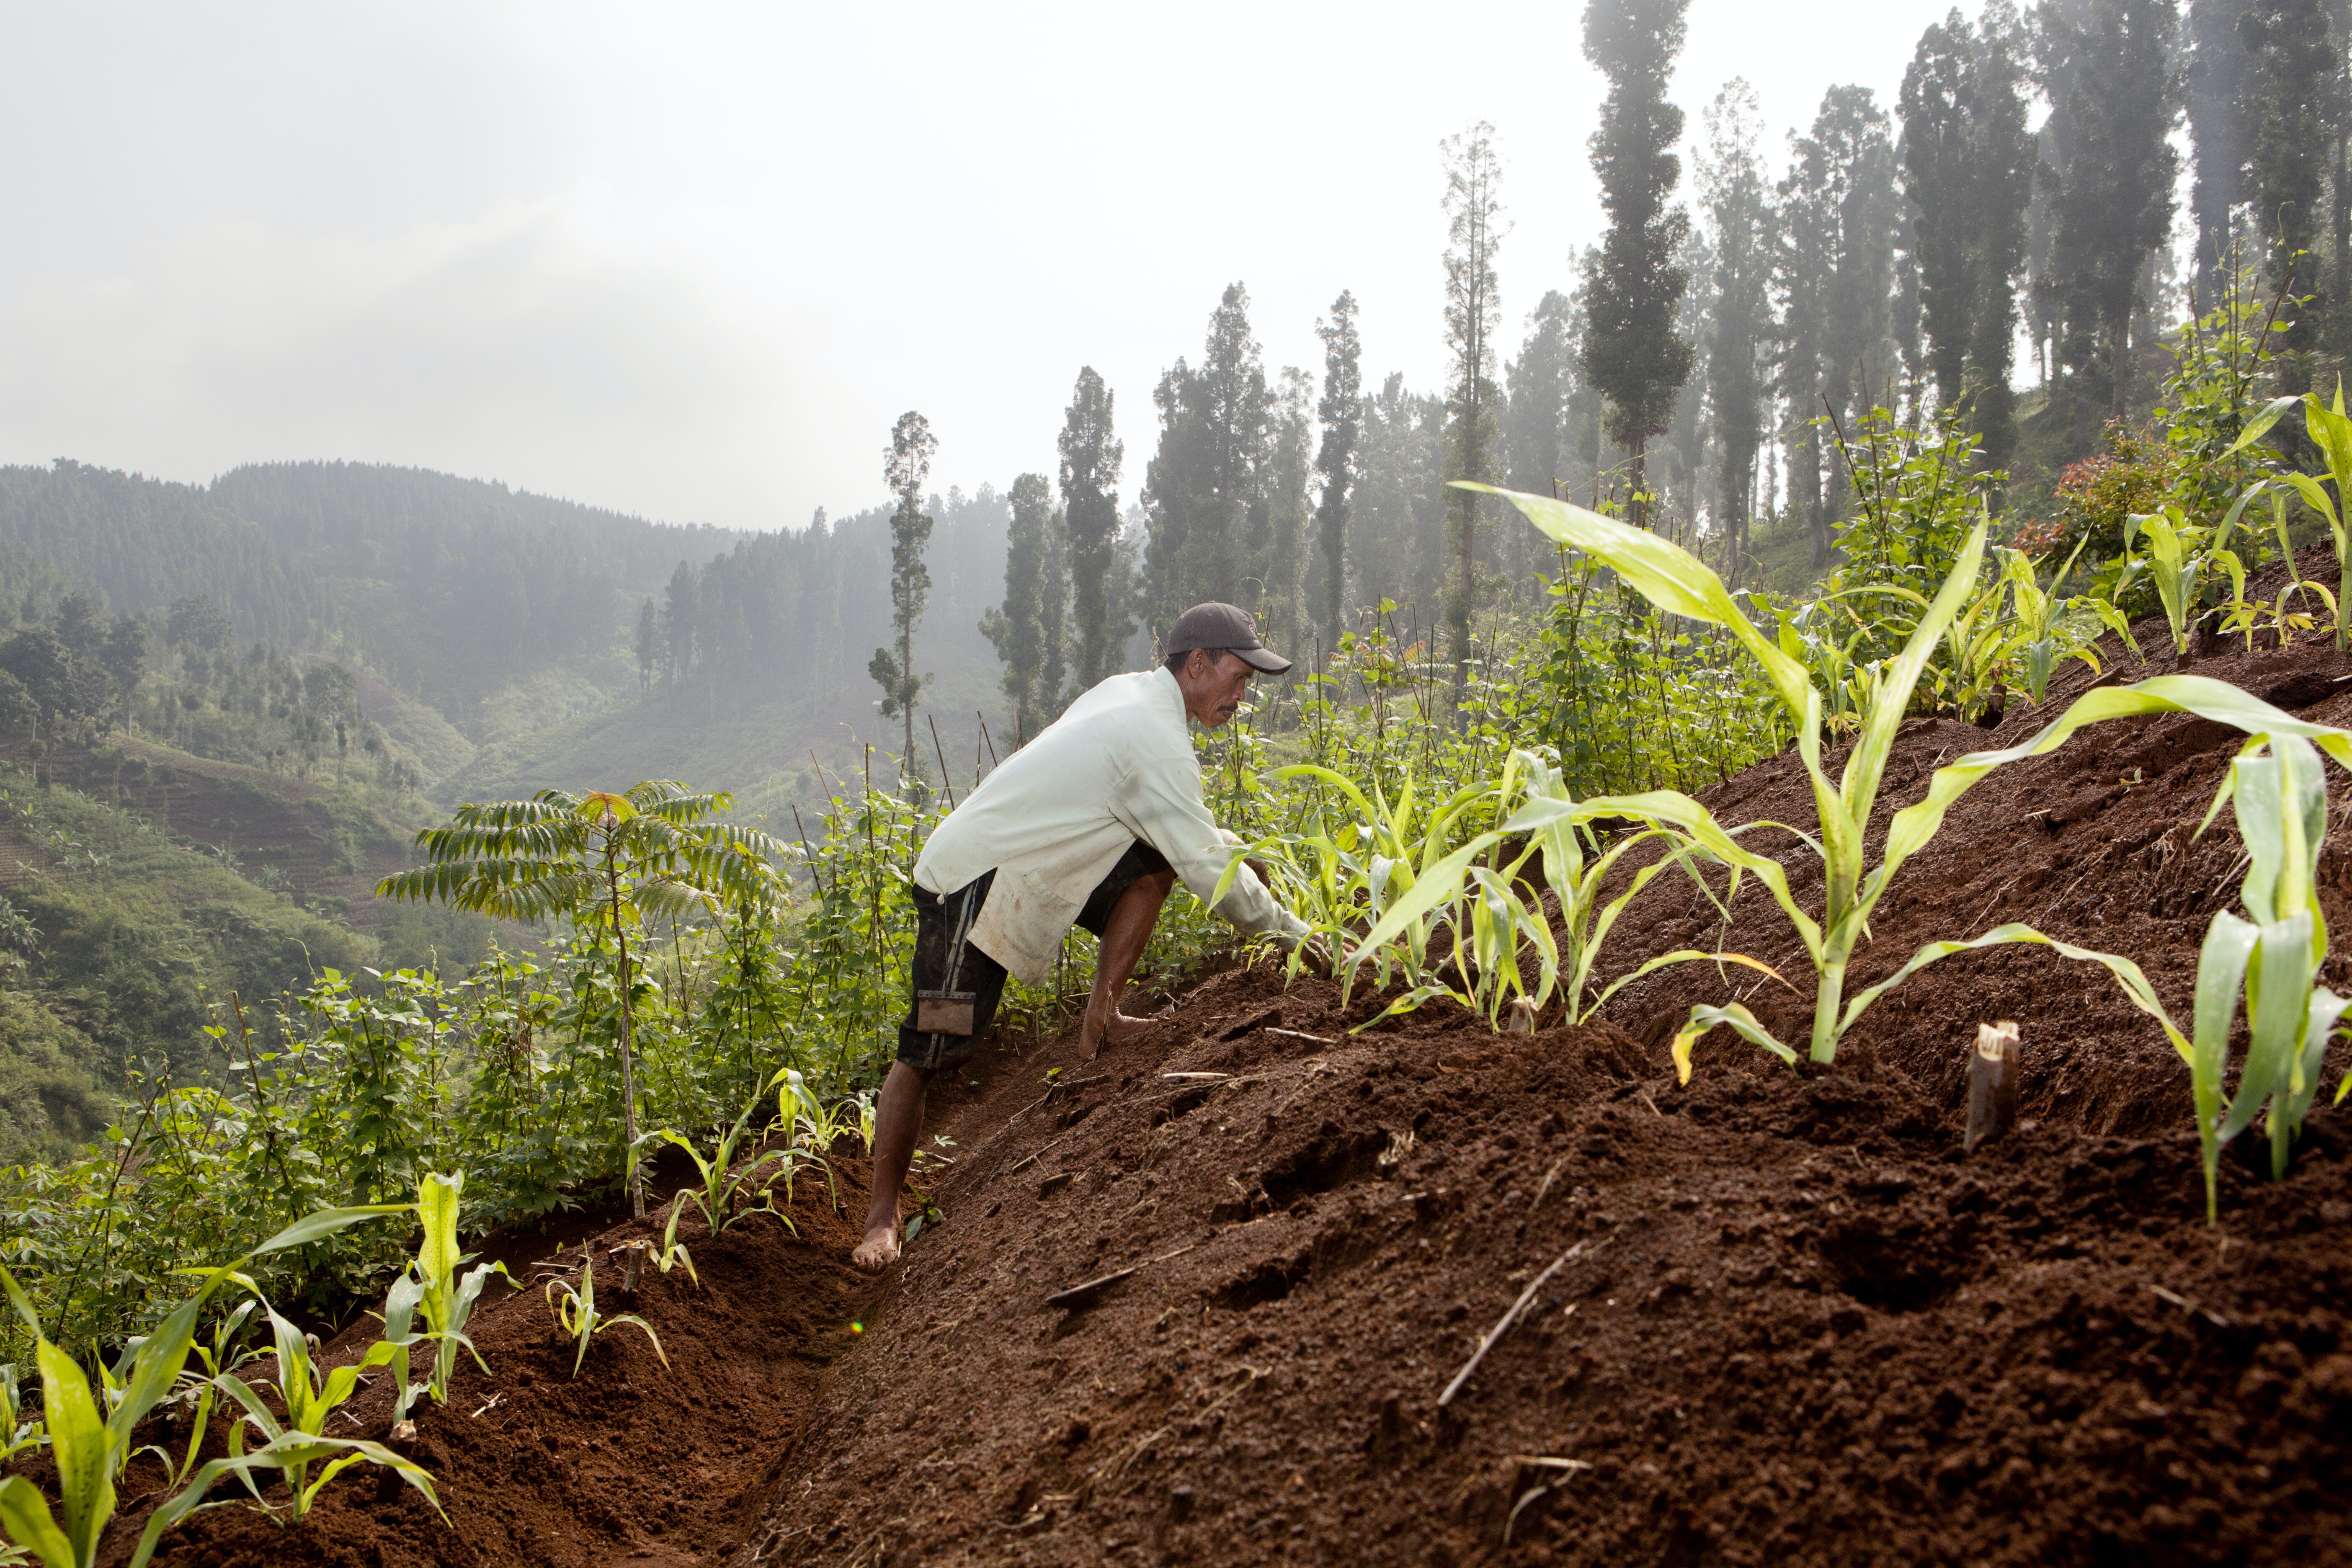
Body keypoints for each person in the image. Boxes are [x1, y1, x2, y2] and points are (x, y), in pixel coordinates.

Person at [850, 602, 1314, 1272]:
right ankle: (881, 1215)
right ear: (1197, 665)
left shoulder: (1136, 694)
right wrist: (1299, 936)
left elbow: (1193, 842)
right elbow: (1210, 868)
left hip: (1033, 865)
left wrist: (1251, 865)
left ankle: (1102, 1016)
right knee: (933, 1045)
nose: (1242, 698)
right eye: (1238, 679)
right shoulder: (1154, 740)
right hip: (970, 887)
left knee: (1155, 863)